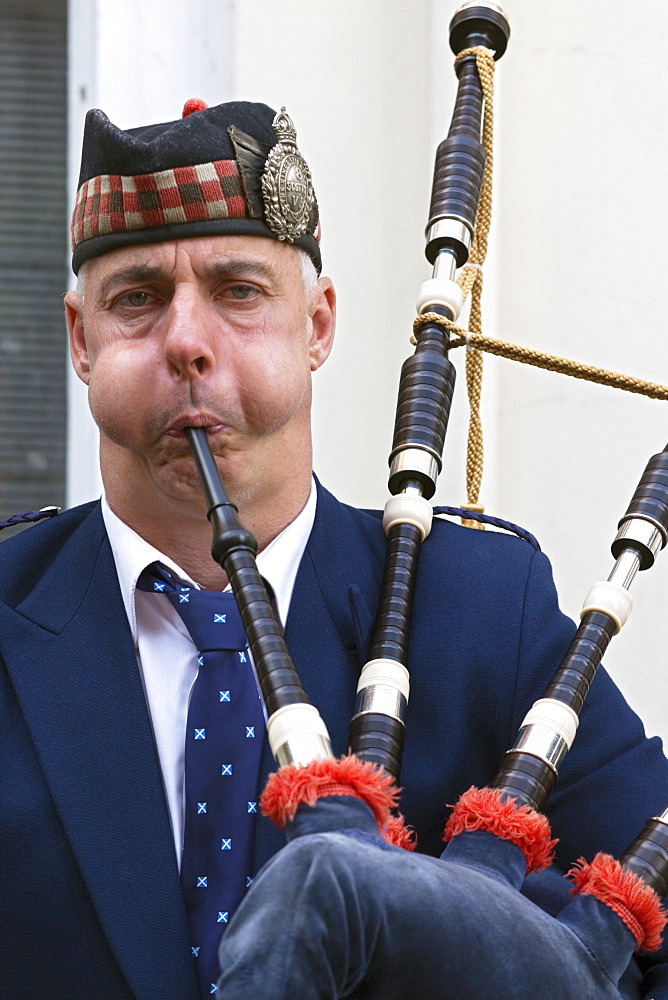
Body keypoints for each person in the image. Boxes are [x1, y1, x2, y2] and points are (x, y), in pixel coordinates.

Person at [0, 98, 666, 1000]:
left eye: (239, 291)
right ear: (82, 340)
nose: (187, 342)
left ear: (317, 324)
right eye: (138, 300)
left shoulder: (480, 609)